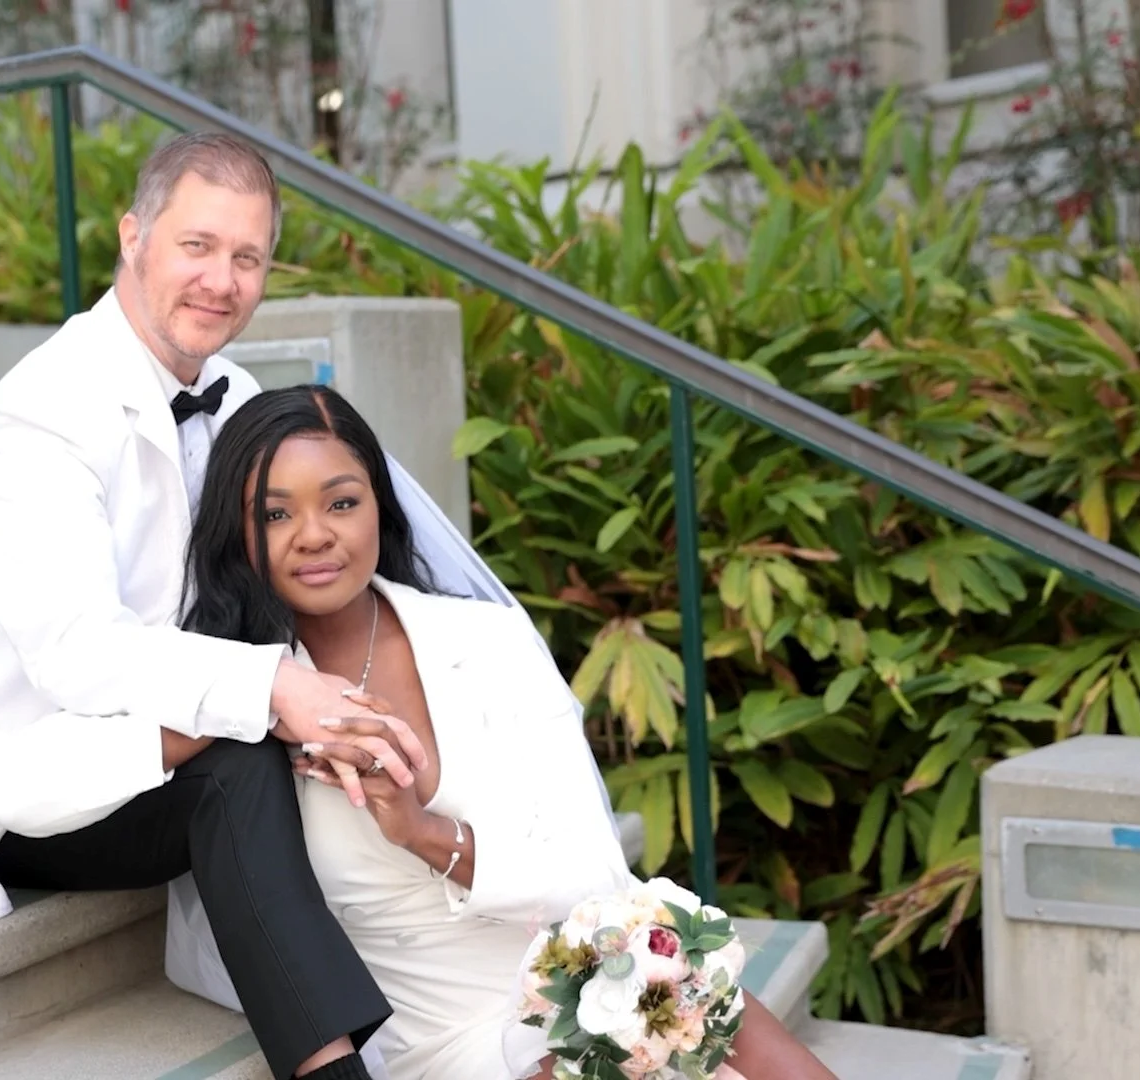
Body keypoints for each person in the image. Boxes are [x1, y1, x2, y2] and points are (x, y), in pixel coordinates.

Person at [0, 130, 482, 1080]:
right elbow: (77, 655)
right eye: (197, 246)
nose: (222, 280)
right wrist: (274, 688)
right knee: (248, 753)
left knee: (305, 732)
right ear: (133, 237)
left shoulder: (236, 395)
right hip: (43, 778)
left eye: (247, 257)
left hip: (178, 738)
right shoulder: (39, 412)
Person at [179, 384, 841, 1080]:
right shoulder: (237, 699)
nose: (314, 534)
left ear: (380, 504)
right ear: (238, 531)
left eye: (342, 502)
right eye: (275, 513)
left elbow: (596, 874)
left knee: (702, 992)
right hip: (450, 1038)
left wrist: (423, 832)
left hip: (588, 968)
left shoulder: (486, 639)